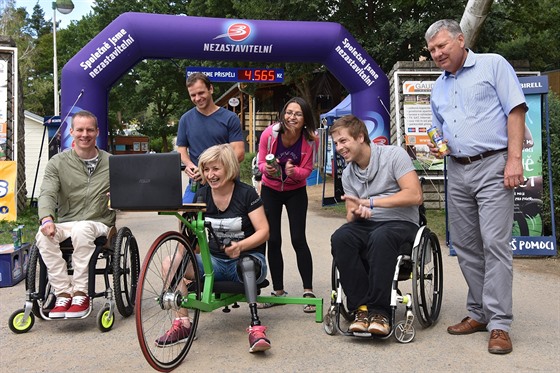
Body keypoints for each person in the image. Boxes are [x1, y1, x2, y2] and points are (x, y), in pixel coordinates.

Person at [425, 19, 527, 354]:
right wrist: (436, 143)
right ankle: (479, 312)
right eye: (432, 50)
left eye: (442, 46)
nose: (438, 53)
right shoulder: (437, 87)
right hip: (456, 169)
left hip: (494, 165)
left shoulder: (493, 64)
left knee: (495, 243)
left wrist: (514, 161)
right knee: (466, 245)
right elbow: (438, 129)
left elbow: (515, 111)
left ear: (460, 39)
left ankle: (499, 323)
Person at [155, 144, 272, 353]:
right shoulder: (202, 195)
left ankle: (256, 326)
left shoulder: (246, 194)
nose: (210, 175)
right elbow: (188, 236)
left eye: (215, 169)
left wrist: (241, 246)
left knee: (246, 262)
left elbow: (264, 231)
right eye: (206, 169)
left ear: (228, 168)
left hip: (248, 261)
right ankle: (182, 323)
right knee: (169, 262)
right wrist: (178, 261)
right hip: (214, 264)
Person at [329, 115, 422, 336]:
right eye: (336, 143)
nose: (339, 148)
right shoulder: (349, 173)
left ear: (360, 137)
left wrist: (372, 202)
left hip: (401, 223)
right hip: (369, 224)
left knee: (381, 236)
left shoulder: (393, 156)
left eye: (343, 141)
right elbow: (350, 217)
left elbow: (415, 195)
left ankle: (380, 312)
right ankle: (361, 309)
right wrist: (357, 212)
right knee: (341, 237)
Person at [35, 110, 115, 318]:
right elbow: (47, 193)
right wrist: (47, 218)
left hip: (99, 222)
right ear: (71, 132)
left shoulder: (112, 163)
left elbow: (132, 190)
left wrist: (119, 195)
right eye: (79, 130)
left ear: (97, 132)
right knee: (43, 235)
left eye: (90, 129)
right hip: (67, 221)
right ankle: (62, 292)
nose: (84, 134)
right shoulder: (58, 163)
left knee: (82, 229)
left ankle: (81, 292)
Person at [256, 97, 318, 312]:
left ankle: (308, 290)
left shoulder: (311, 139)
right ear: (283, 114)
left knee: (298, 239)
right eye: (289, 112)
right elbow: (261, 162)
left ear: (305, 119)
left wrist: (295, 172)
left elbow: (308, 170)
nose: (292, 117)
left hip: (295, 192)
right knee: (272, 240)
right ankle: (278, 291)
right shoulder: (270, 134)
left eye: (298, 114)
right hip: (270, 190)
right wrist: (268, 170)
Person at [176, 72, 245, 203]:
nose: (197, 98)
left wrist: (212, 172)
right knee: (185, 217)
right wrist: (190, 165)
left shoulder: (230, 118)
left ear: (211, 89)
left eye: (201, 93)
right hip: (198, 183)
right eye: (193, 95)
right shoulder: (185, 119)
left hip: (227, 183)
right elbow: (181, 149)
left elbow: (239, 153)